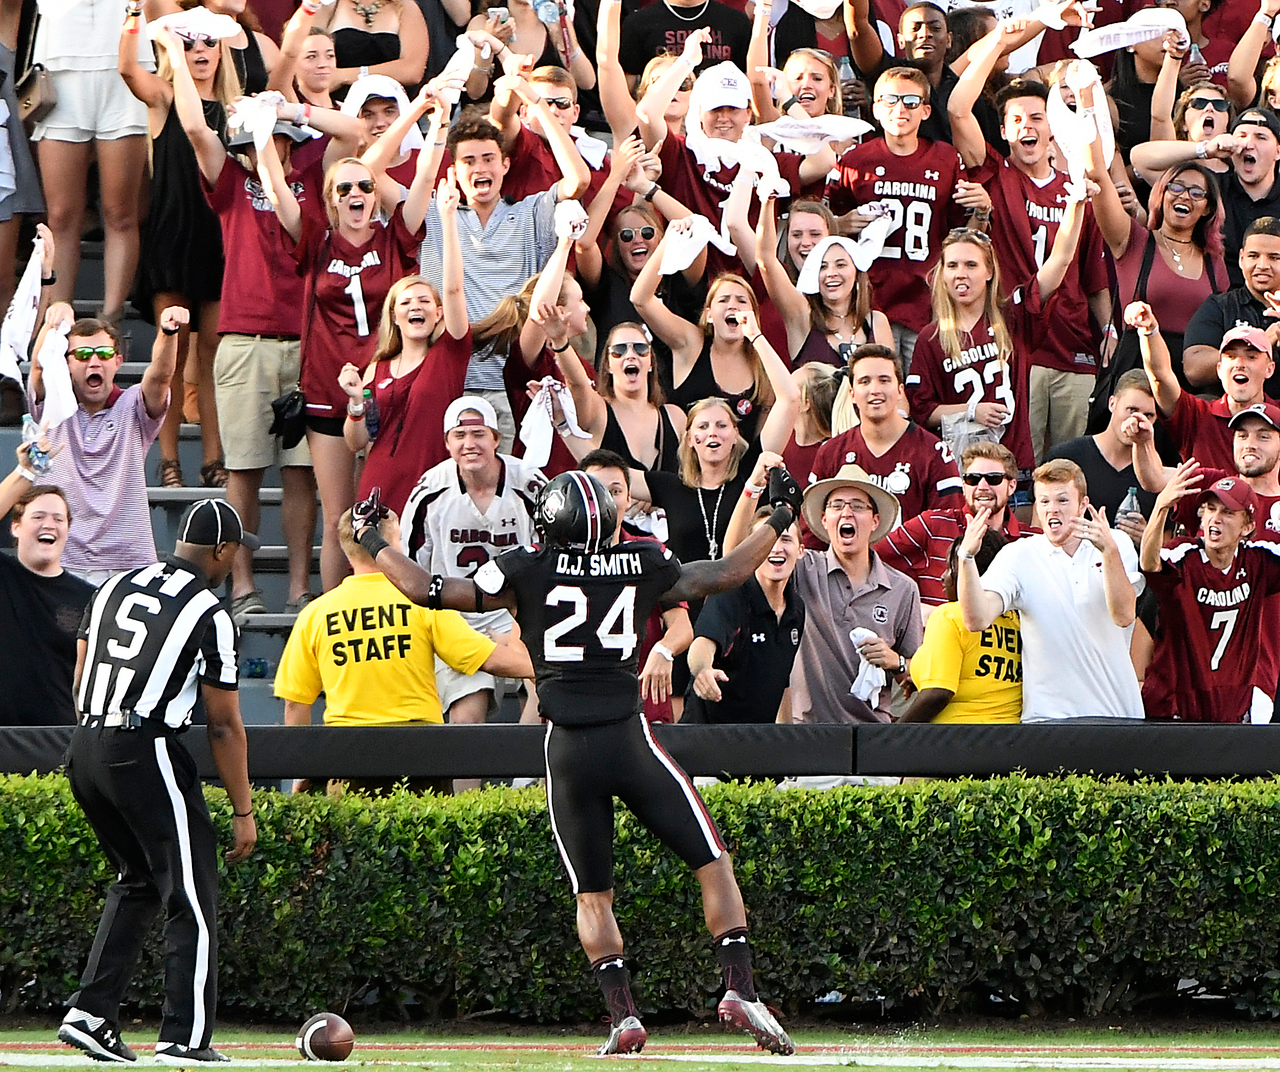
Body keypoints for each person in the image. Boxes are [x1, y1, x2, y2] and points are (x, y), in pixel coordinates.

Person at [353, 470, 799, 1057]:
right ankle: (740, 988)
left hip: (566, 747)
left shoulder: (524, 567)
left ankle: (624, 1016)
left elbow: (426, 588)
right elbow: (727, 572)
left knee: (593, 895)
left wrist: (372, 538)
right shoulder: (642, 560)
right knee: (712, 862)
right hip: (629, 739)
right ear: (608, 521)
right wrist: (779, 516)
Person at [57, 499, 257, 1065]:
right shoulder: (209, 612)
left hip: (85, 745)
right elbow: (223, 725)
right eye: (234, 552)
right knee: (192, 892)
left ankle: (91, 1014)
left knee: (139, 879)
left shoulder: (112, 585)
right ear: (222, 550)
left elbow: (81, 673)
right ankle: (185, 1037)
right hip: (143, 744)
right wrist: (243, 811)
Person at [262, 112, 438, 591]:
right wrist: (261, 134)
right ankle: (336, 609)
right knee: (340, 517)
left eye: (365, 185)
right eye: (345, 188)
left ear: (376, 193)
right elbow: (277, 191)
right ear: (331, 200)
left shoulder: (394, 237)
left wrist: (433, 115)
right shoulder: (316, 242)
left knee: (391, 511)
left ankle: (399, 607)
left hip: (391, 384)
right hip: (328, 391)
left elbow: (425, 179)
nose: (356, 194)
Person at [275, 504, 534, 791]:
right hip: (420, 753)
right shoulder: (421, 601)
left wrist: (302, 771)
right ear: (391, 543)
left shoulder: (316, 614)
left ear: (345, 548)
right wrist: (551, 668)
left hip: (346, 756)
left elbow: (295, 702)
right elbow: (486, 658)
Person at [950, 31, 1113, 461]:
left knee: (1069, 466)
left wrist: (1108, 331)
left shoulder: (1076, 189)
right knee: (1019, 465)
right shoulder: (994, 174)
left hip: (1073, 344)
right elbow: (957, 108)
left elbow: (1094, 279)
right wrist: (1000, 40)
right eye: (1017, 119)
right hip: (1014, 342)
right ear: (1004, 131)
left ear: (1053, 126)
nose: (1028, 126)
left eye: (1038, 117)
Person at [400, 398, 547, 786]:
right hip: (456, 616)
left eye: (479, 434)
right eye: (460, 435)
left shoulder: (530, 484)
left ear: (496, 438)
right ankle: (469, 808)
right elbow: (409, 564)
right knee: (466, 716)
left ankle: (525, 789)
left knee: (546, 694)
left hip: (519, 612)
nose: (470, 443)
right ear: (447, 443)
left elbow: (554, 555)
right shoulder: (430, 490)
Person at [120, 24, 240, 490]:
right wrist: (136, 17)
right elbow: (127, 69)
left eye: (209, 41)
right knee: (172, 353)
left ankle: (213, 458)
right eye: (189, 43)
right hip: (172, 236)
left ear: (222, 50)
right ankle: (168, 460)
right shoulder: (165, 98)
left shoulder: (235, 109)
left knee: (213, 357)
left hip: (218, 238)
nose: (199, 49)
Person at [907, 187, 1089, 489]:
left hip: (1013, 467)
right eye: (952, 266)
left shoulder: (1013, 317)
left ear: (989, 271)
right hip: (963, 474)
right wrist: (971, 411)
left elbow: (1060, 260)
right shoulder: (931, 337)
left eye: (971, 265)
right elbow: (922, 411)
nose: (960, 274)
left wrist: (1076, 203)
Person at [725, 459, 921, 723]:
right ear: (824, 519)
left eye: (858, 506)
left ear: (875, 520)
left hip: (872, 733)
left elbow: (918, 677)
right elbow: (735, 560)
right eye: (837, 505)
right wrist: (753, 487)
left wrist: (895, 661)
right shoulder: (801, 569)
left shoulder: (903, 589)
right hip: (808, 733)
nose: (847, 513)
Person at [955, 458, 1146, 721]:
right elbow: (976, 620)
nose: (1052, 510)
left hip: (1115, 715)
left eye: (1062, 501)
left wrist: (1108, 551)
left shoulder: (1115, 543)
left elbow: (1124, 615)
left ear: (1083, 505)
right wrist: (965, 557)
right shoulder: (1018, 554)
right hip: (1046, 720)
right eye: (1044, 501)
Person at [822, 65, 980, 363]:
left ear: (926, 111)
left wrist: (982, 210)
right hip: (867, 300)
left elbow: (962, 233)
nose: (900, 109)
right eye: (890, 100)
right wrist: (839, 225)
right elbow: (822, 228)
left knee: (920, 384)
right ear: (876, 109)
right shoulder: (855, 160)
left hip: (926, 300)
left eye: (911, 101)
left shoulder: (946, 158)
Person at [29, 306, 185, 585]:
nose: (94, 362)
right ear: (66, 363)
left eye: (103, 354)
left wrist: (167, 331)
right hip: (61, 561)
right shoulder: (53, 405)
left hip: (128, 566)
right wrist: (54, 317)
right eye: (82, 355)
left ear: (118, 361)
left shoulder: (133, 405)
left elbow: (161, 376)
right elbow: (39, 366)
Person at [338, 199, 470, 515]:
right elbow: (356, 441)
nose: (415, 307)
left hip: (434, 493)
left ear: (439, 313)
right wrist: (355, 401)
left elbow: (453, 289)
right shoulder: (377, 368)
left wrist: (448, 219)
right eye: (406, 302)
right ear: (394, 316)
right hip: (380, 488)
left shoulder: (450, 354)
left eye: (424, 301)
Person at [1140, 463, 1280, 723]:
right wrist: (1161, 507)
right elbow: (1149, 564)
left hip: (1229, 709)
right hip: (1175, 707)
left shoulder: (1258, 560)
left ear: (1247, 526)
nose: (1215, 518)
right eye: (1210, 509)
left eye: (1227, 512)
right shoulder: (1183, 554)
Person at [34, 0, 147, 322]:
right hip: (59, 64)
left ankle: (110, 325)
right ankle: (56, 322)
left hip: (126, 63)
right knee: (60, 214)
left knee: (120, 212)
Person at [580, 449, 695, 723]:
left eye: (615, 491)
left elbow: (682, 627)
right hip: (577, 706)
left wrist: (664, 650)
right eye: (597, 490)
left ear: (629, 498)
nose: (607, 500)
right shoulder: (555, 556)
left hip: (642, 704)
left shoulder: (650, 554)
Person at [632, 260, 794, 445]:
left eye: (741, 301)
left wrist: (755, 335)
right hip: (683, 460)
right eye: (723, 300)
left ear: (754, 316)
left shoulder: (762, 365)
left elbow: (764, 442)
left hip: (739, 463)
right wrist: (669, 244)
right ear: (709, 314)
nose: (732, 306)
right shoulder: (692, 344)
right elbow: (640, 299)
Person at [809, 344, 963, 525]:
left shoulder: (934, 453)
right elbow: (813, 527)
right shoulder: (830, 453)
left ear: (900, 391)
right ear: (852, 394)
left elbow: (947, 527)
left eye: (884, 380)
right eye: (864, 381)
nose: (875, 390)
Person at [876, 442, 1033, 614]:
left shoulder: (1032, 541)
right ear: (964, 486)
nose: (982, 486)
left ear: (1012, 486)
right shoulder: (932, 524)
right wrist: (915, 611)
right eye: (972, 479)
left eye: (993, 478)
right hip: (938, 630)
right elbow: (868, 560)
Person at [1132, 108, 1280, 288]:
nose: (1248, 144)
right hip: (1216, 300)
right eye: (1241, 136)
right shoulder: (1209, 188)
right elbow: (1140, 159)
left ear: (1278, 151)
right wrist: (1205, 149)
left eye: (1260, 137)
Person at [685, 503, 804, 724]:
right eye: (766, 541)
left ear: (801, 550)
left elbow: (781, 682)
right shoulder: (731, 594)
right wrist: (702, 670)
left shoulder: (796, 609)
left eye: (786, 539)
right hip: (707, 735)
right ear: (753, 551)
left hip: (757, 739)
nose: (776, 548)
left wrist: (786, 737)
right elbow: (703, 644)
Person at [0, 447, 92, 727]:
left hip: (60, 737)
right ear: (15, 527)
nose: (49, 524)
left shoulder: (90, 598)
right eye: (38, 517)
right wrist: (26, 471)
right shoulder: (4, 574)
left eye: (58, 519)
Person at [1132, 303, 1276, 472]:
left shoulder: (1278, 416)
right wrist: (1149, 330)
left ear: (1270, 369)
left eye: (1251, 356)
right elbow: (1160, 377)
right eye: (1231, 356)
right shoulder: (1197, 416)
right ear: (1219, 369)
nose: (1239, 363)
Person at [899, 530, 1021, 723]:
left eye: (950, 567)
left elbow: (938, 693)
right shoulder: (1019, 621)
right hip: (1012, 734)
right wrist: (920, 674)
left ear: (969, 573)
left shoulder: (949, 616)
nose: (943, 576)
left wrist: (894, 733)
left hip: (957, 735)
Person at [553, 321, 687, 474]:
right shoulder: (599, 411)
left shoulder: (675, 418)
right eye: (619, 350)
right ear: (608, 365)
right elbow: (578, 383)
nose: (630, 355)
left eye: (640, 349)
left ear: (651, 362)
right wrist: (560, 342)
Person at [1046, 369, 1158, 537]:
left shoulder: (1157, 475)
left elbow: (1168, 544)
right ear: (1112, 403)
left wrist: (1148, 538)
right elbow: (1039, 530)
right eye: (1131, 410)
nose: (1137, 422)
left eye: (1148, 415)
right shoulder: (1066, 456)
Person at [1182, 216, 1280, 398]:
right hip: (1229, 411)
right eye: (1253, 256)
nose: (1262, 265)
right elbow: (1194, 368)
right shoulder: (1220, 306)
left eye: (1274, 258)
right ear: (1241, 259)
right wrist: (1263, 341)